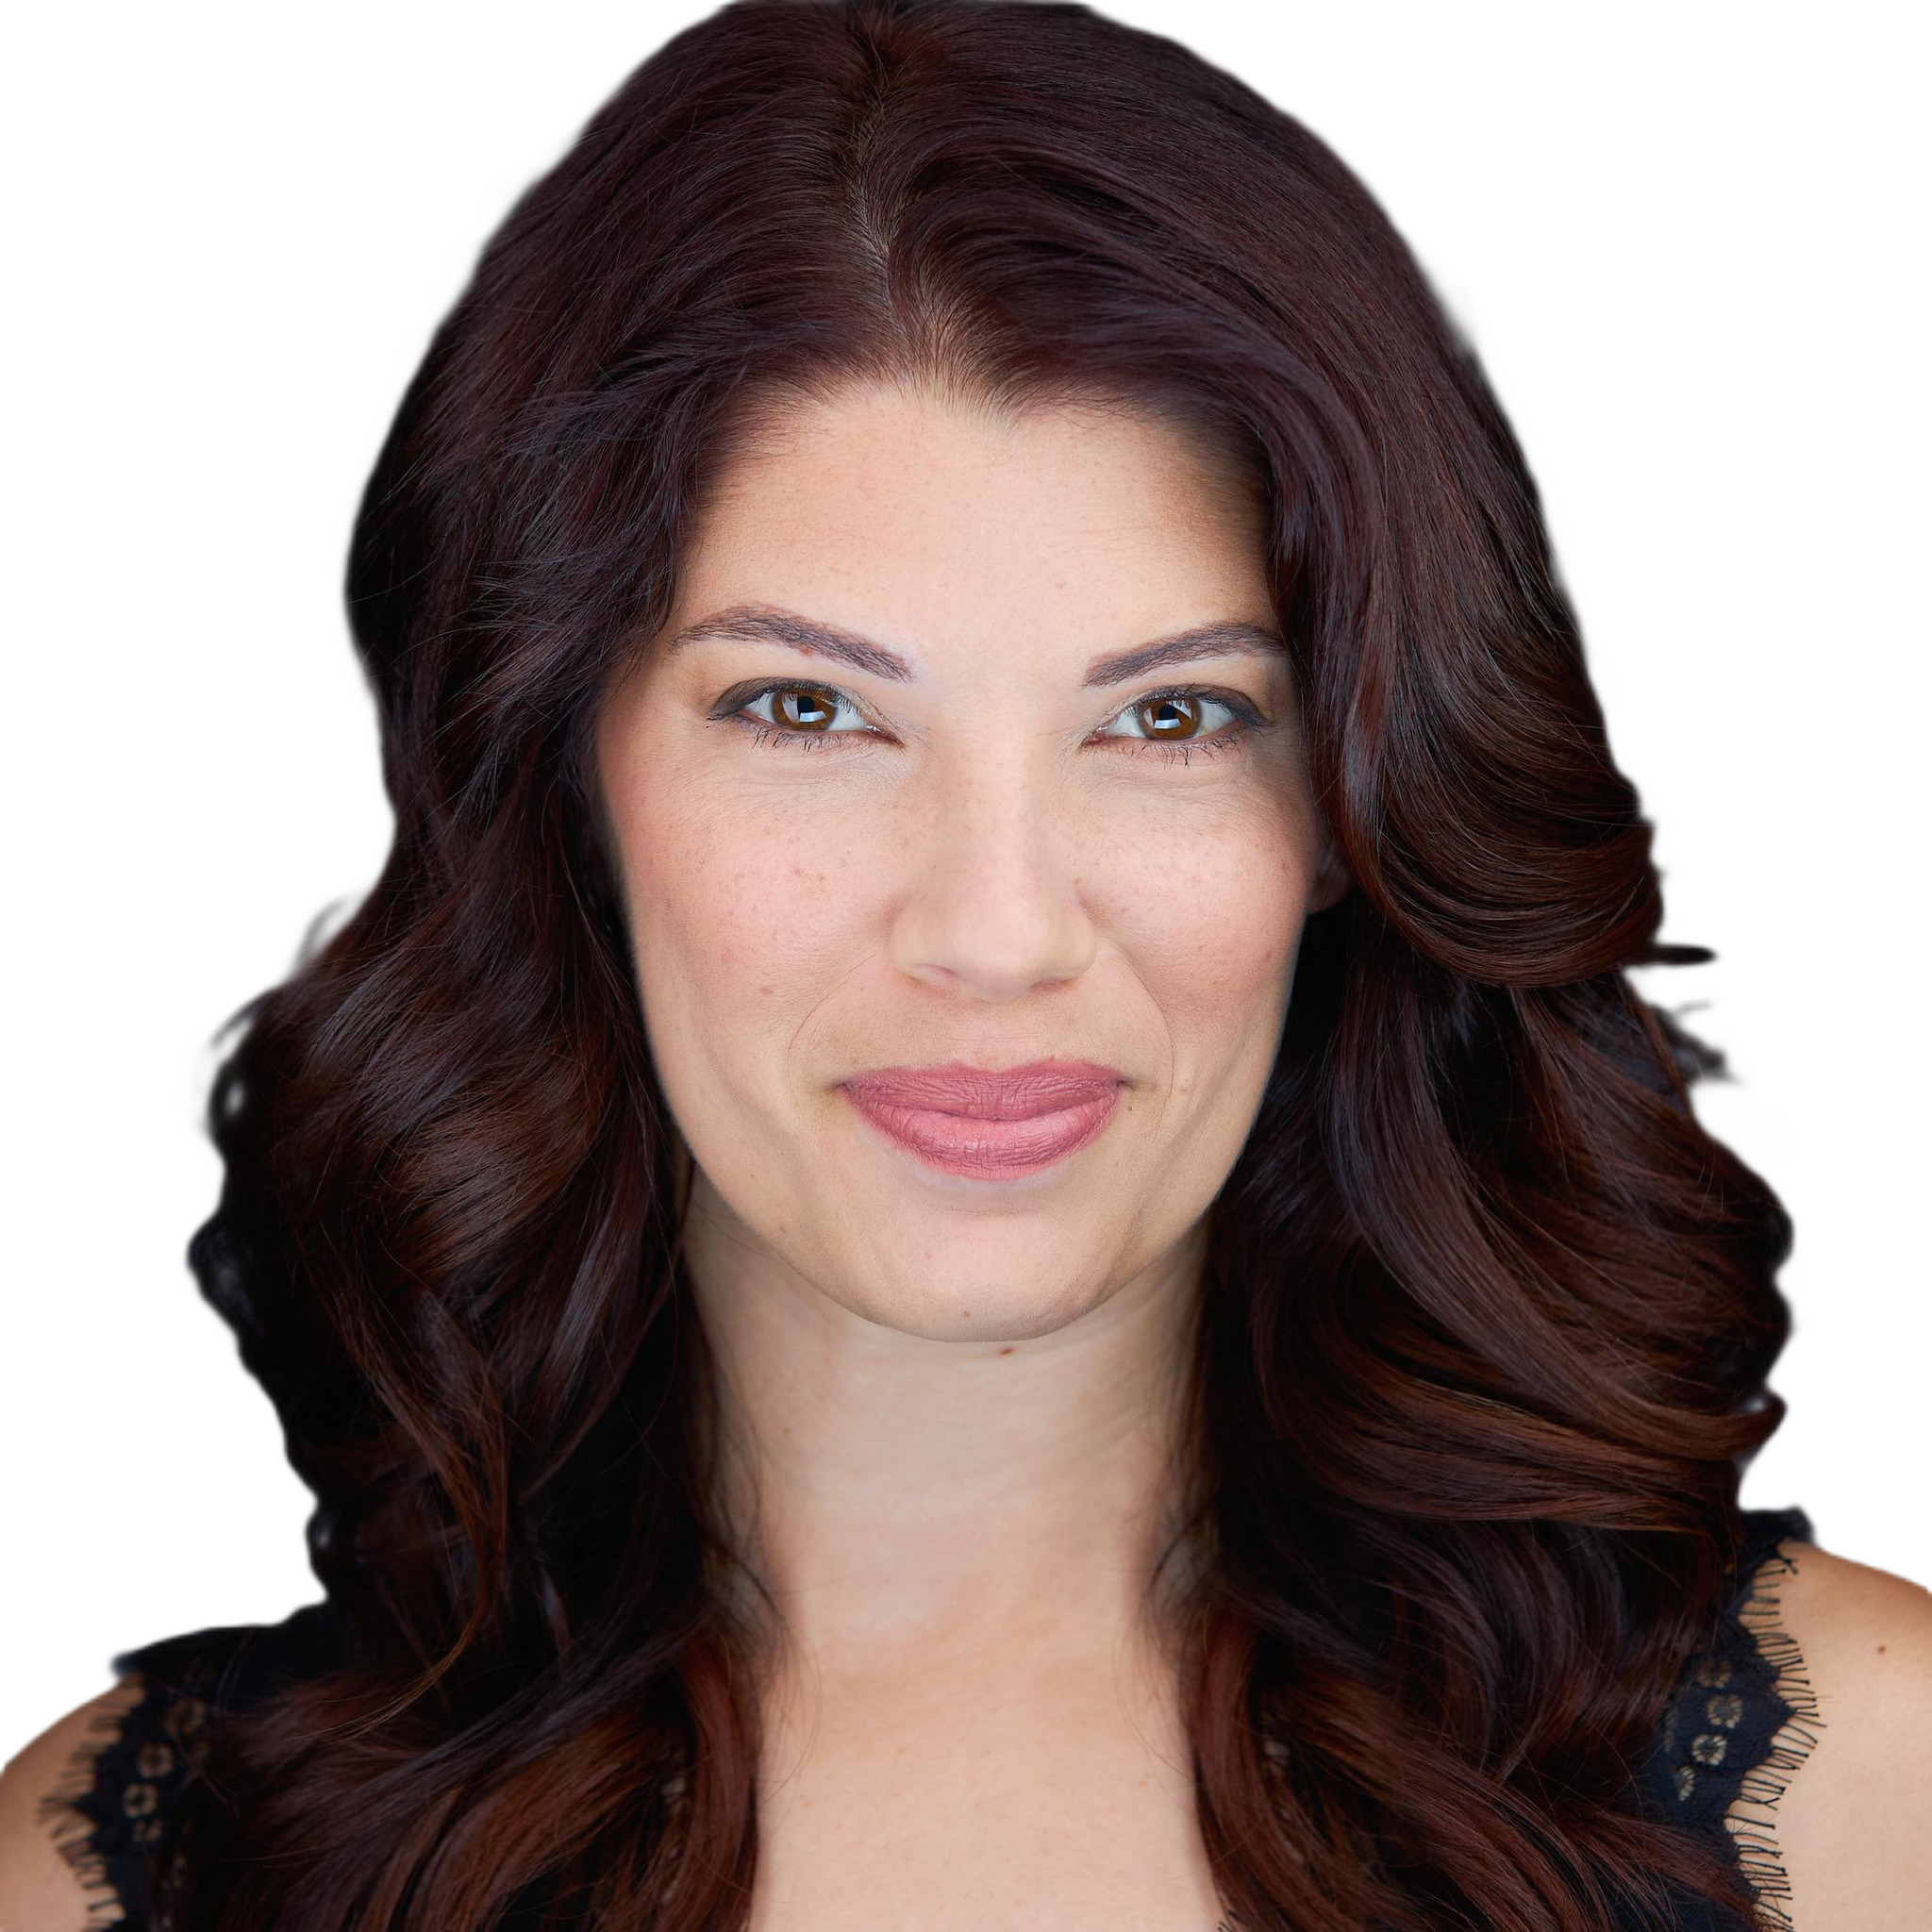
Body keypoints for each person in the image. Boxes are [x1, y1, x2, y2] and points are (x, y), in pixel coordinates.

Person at [2, 1, 1927, 1926]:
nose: (997, 933)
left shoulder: (1869, 1796)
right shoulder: (131, 1873)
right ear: (561, 782)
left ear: (1355, 810)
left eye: (1170, 719)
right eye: (807, 709)